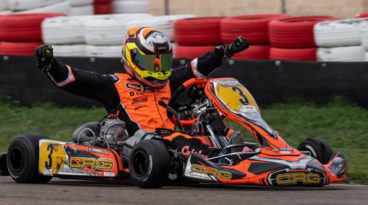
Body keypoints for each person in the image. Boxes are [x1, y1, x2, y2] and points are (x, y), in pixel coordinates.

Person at [34, 26, 249, 158]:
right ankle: (221, 160)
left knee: (212, 126)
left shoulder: (167, 81)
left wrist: (224, 52)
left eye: (161, 62)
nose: (158, 68)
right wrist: (51, 64)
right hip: (141, 142)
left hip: (172, 140)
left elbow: (195, 68)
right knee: (178, 140)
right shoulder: (114, 84)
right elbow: (71, 78)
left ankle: (235, 150)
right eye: (151, 62)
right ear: (132, 58)